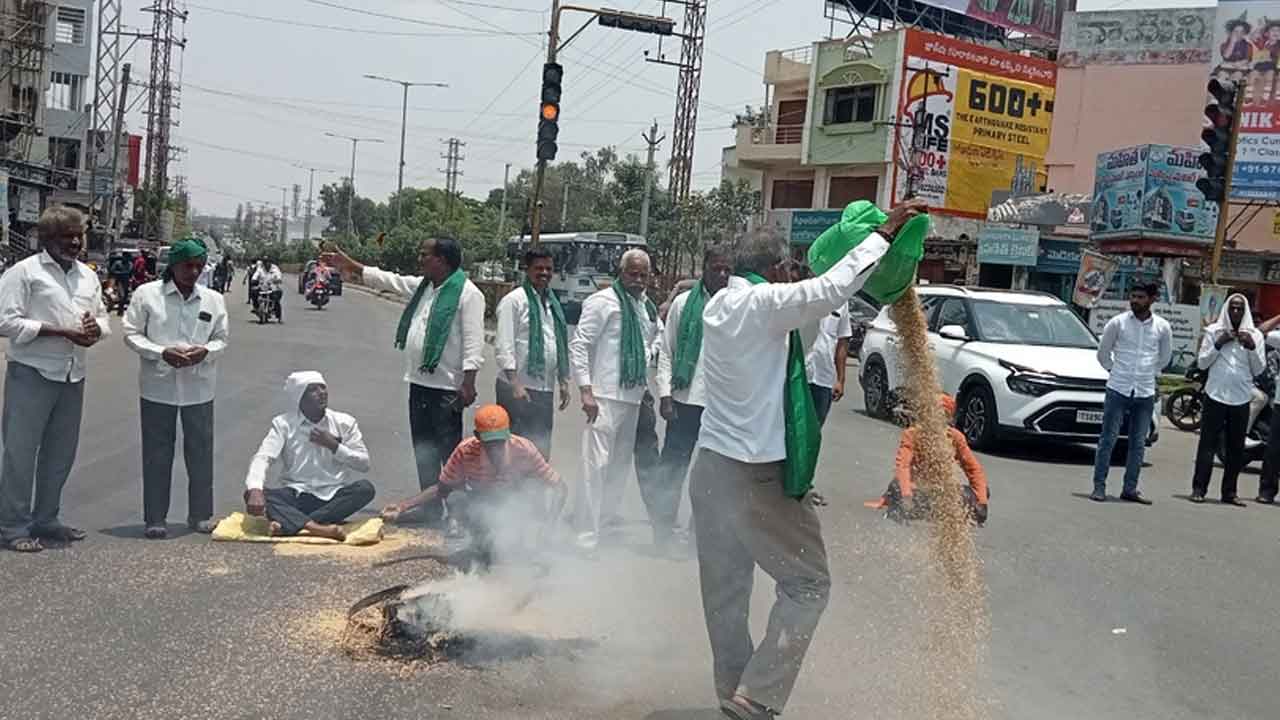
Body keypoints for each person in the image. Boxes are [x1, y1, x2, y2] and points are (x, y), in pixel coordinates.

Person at [689, 200, 924, 720]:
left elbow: (813, 315)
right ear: (775, 270)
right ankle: (757, 696)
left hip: (710, 468)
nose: (793, 274)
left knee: (725, 592)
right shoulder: (764, 303)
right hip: (754, 474)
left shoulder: (719, 305)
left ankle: (733, 691)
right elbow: (830, 289)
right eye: (789, 268)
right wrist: (883, 233)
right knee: (809, 582)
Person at [322, 239, 484, 523]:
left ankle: (459, 513)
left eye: (425, 254)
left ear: (442, 261)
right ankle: (430, 509)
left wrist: (469, 381)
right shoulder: (424, 287)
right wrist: (350, 264)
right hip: (419, 383)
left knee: (450, 455)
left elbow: (473, 342)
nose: (420, 258)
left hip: (447, 389)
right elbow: (390, 281)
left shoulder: (467, 294)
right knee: (424, 450)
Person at [0, 206, 110, 552]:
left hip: (72, 375)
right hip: (31, 374)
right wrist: (57, 332)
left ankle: (46, 518)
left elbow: (103, 319)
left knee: (60, 454)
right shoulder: (24, 273)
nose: (76, 242)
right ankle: (12, 526)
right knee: (20, 455)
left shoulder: (87, 276)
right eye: (67, 236)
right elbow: (6, 322)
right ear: (46, 239)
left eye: (79, 236)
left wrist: (96, 330)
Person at [123, 238, 229, 538]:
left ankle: (201, 515)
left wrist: (205, 352)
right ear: (173, 265)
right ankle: (155, 518)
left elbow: (221, 338)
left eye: (198, 266)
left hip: (200, 388)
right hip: (158, 387)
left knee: (201, 453)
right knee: (157, 454)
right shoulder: (147, 295)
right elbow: (131, 334)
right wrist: (161, 353)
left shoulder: (213, 299)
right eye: (187, 266)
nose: (193, 272)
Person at [381, 404, 567, 569]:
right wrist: (402, 506)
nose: (495, 448)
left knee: (530, 497)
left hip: (515, 505)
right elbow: (442, 488)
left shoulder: (524, 449)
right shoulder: (465, 450)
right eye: (489, 443)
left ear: (508, 434)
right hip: (482, 503)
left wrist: (548, 526)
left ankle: (516, 541)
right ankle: (480, 542)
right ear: (478, 436)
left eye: (499, 442)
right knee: (457, 499)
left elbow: (560, 488)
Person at [569, 248, 663, 550]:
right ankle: (585, 538)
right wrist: (585, 389)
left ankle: (604, 527)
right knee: (595, 466)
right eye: (632, 274)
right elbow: (580, 345)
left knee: (618, 469)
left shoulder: (645, 306)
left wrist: (648, 355)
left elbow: (656, 337)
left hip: (633, 397)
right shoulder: (602, 302)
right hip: (604, 396)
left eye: (643, 275)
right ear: (620, 273)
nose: (637, 280)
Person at [651, 245, 734, 552]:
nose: (722, 275)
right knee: (672, 469)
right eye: (717, 269)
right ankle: (662, 532)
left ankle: (699, 535)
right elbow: (667, 352)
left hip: (721, 408)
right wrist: (665, 394)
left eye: (728, 270)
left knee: (711, 475)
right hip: (684, 401)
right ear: (704, 269)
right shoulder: (685, 303)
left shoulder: (737, 306)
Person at [243, 371, 375, 541]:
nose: (322, 393)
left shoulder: (345, 422)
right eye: (313, 389)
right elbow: (263, 457)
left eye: (323, 387)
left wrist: (334, 446)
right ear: (300, 398)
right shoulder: (283, 424)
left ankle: (289, 525)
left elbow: (364, 464)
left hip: (333, 495)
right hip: (297, 495)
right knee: (253, 494)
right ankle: (316, 527)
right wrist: (255, 489)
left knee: (365, 489)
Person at [1090, 281, 1172, 504]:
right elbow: (1103, 353)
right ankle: (1099, 486)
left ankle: (1130, 488)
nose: (1135, 301)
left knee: (1138, 442)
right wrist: (1113, 370)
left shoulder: (1162, 327)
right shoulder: (1118, 323)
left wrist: (1150, 373)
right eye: (1133, 296)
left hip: (1145, 391)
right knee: (1108, 439)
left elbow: (1165, 357)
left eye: (1140, 297)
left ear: (1152, 299)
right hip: (1118, 387)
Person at [494, 247, 571, 459]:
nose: (545, 273)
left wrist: (563, 381)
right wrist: (515, 383)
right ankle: (509, 493)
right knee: (515, 450)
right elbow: (504, 344)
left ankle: (534, 493)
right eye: (539, 268)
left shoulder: (551, 302)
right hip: (518, 388)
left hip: (544, 390)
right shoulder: (515, 300)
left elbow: (555, 342)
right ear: (526, 270)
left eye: (549, 269)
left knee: (539, 451)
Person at [868, 394, 989, 525]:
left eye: (942, 416)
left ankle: (932, 510)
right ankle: (913, 508)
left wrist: (982, 502)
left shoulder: (955, 437)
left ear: (948, 418)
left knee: (982, 492)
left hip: (942, 491)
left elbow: (974, 469)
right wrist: (907, 495)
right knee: (897, 488)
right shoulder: (913, 434)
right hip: (917, 489)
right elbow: (903, 466)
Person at [1191, 294, 1264, 506]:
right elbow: (1202, 364)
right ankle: (1199, 489)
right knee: (1207, 444)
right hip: (1215, 394)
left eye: (1240, 309)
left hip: (1241, 397)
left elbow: (1258, 369)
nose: (1235, 312)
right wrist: (1218, 344)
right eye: (1232, 308)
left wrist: (1251, 348)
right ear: (1226, 309)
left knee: (1235, 447)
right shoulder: (1214, 331)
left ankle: (1229, 492)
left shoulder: (1255, 336)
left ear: (1245, 312)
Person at [805, 302, 853, 426]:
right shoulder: (803, 289)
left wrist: (840, 380)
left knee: (815, 429)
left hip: (824, 379)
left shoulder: (842, 300)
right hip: (798, 374)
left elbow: (843, 341)